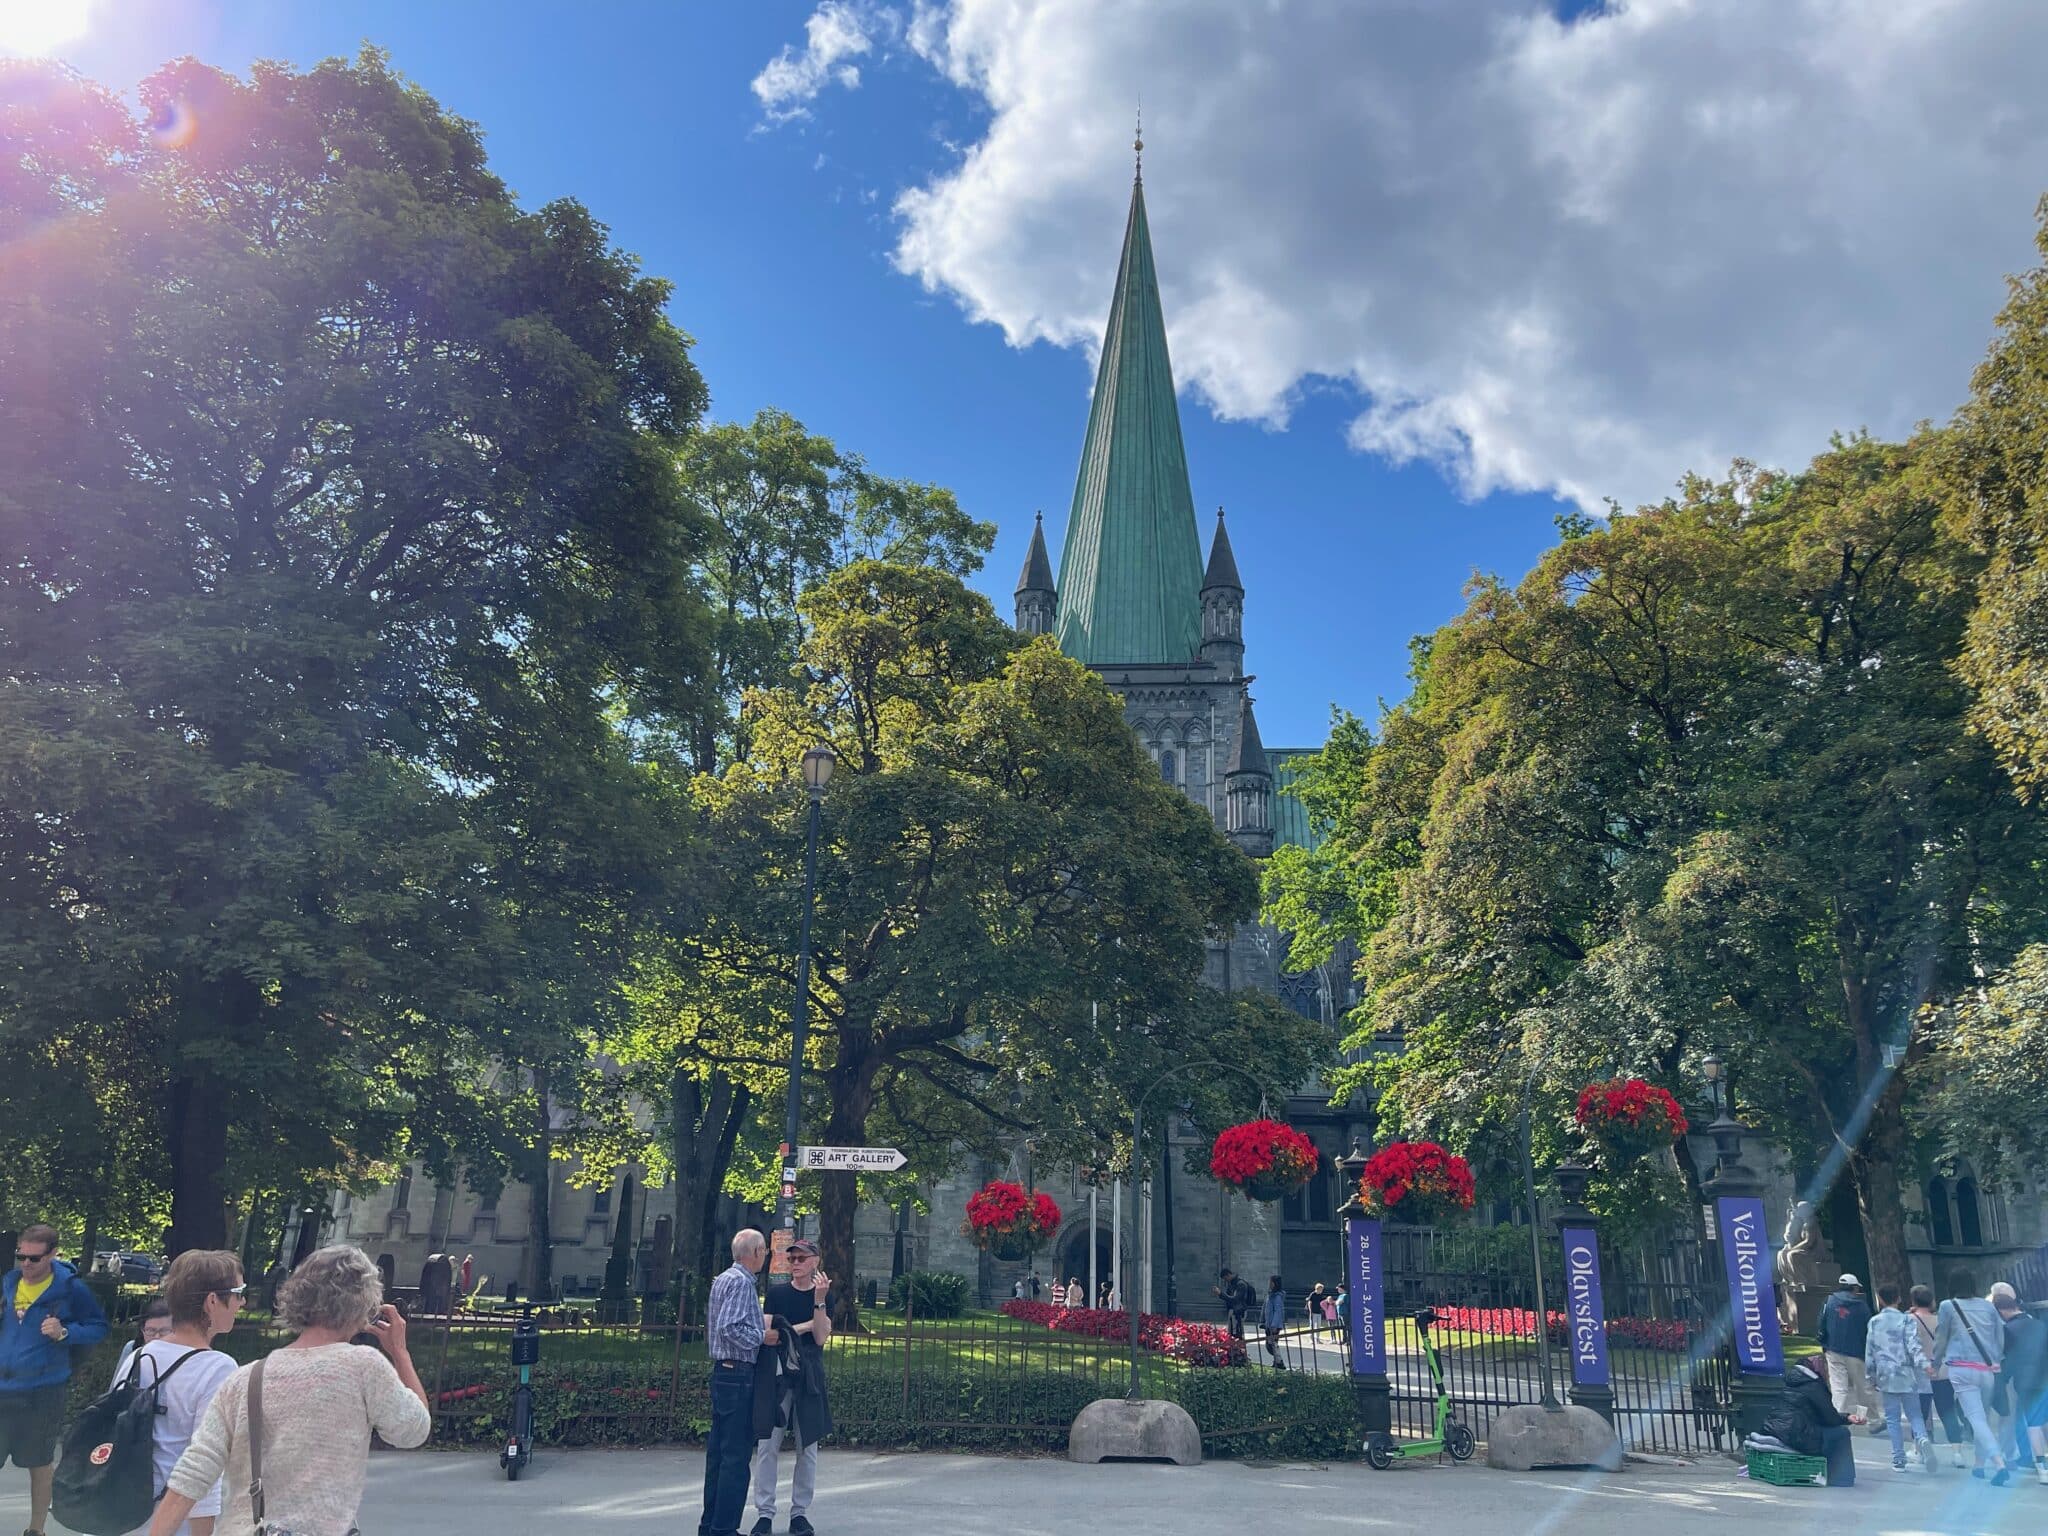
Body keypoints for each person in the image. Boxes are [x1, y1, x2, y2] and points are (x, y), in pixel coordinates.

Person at [150, 1244, 430, 1536]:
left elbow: (192, 1474)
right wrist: (399, 1353)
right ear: (362, 1305)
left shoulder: (246, 1378)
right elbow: (414, 1431)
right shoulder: (363, 1367)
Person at [119, 1251, 244, 1536]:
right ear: (212, 1301)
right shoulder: (217, 1367)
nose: (242, 1302)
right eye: (238, 1293)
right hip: (171, 1518)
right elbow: (204, 1465)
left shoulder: (139, 1355)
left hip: (119, 1508)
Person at [1, 1221, 110, 1536]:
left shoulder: (70, 1288)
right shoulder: (9, 1283)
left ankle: (36, 1530)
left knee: (39, 1463)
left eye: (34, 1258)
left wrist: (64, 1332)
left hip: (43, 1392)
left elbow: (98, 1327)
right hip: (3, 1387)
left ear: (53, 1255)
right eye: (21, 1256)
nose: (26, 1264)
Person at [751, 1239, 832, 1536]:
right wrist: (804, 1327)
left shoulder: (822, 1295)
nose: (795, 1263)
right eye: (792, 1258)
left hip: (809, 1375)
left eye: (801, 1258)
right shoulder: (777, 1293)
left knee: (807, 1447)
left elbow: (822, 1337)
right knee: (767, 1445)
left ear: (815, 1261)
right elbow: (768, 1334)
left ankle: (799, 1512)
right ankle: (765, 1513)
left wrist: (820, 1303)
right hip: (778, 1373)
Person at [702, 1229, 776, 1536]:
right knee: (735, 1458)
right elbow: (729, 1327)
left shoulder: (723, 1279)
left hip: (723, 1372)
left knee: (718, 1456)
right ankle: (724, 1528)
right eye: (765, 1251)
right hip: (738, 1375)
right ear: (756, 1252)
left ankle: (710, 1526)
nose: (767, 1256)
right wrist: (763, 1337)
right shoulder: (743, 1282)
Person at [1929, 1270, 2009, 1483]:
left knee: (1975, 1419)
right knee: (1982, 1417)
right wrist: (1996, 1361)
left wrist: (1935, 1364)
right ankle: (1979, 1464)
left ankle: (1999, 1463)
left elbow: (1941, 1338)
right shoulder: (1988, 1306)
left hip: (1961, 1369)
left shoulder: (1948, 1306)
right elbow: (2000, 1338)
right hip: (1987, 1369)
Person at [1863, 1281, 1935, 1472]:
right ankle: (1921, 1438)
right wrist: (1925, 1365)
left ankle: (1898, 1459)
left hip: (1886, 1375)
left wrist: (1870, 1376)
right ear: (1899, 1298)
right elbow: (1914, 1346)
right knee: (1915, 1414)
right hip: (1906, 1373)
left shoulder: (1874, 1322)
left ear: (1879, 1299)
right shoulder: (1907, 1320)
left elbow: (1870, 1352)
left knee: (1893, 1418)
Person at [1759, 1355, 1857, 1486]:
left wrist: (1845, 1417)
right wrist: (1847, 1418)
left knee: (1828, 1432)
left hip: (1776, 1429)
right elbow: (1830, 1418)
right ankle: (1842, 1478)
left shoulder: (1791, 1381)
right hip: (1796, 1434)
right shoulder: (1814, 1386)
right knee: (1841, 1433)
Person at [1993, 1282, 2048, 1484]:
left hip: (2025, 1381)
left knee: (2033, 1424)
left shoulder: (2008, 1330)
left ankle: (2042, 1466)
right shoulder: (2039, 1323)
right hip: (2045, 1377)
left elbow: (2008, 1359)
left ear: (2001, 1311)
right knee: (2044, 1421)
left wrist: (2002, 1379)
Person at [1911, 1284, 1969, 1466]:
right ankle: (1957, 1453)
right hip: (1943, 1371)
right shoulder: (1940, 1321)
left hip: (1920, 1373)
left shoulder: (1909, 1320)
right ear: (1932, 1301)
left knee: (1919, 1413)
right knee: (1947, 1412)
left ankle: (1919, 1449)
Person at [1816, 1272, 1881, 1430]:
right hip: (1856, 1352)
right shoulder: (1861, 1306)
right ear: (1853, 1288)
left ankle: (1836, 1421)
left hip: (1833, 1349)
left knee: (1839, 1388)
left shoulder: (1829, 1301)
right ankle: (1872, 1422)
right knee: (1862, 1388)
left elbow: (1821, 1323)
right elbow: (1869, 1330)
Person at [111, 1299, 175, 1383]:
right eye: (151, 1330)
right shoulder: (131, 1348)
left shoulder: (181, 1352)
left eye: (164, 1331)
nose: (157, 1336)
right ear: (142, 1330)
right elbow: (116, 1386)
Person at [1213, 1269, 1253, 1341]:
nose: (1226, 1281)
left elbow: (1235, 1300)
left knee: (1237, 1333)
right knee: (1232, 1333)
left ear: (1229, 1275)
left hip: (1239, 1312)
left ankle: (1239, 1350)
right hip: (1233, 1312)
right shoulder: (1232, 1284)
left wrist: (1220, 1294)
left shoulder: (1240, 1284)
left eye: (1225, 1278)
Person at [1262, 1275, 1288, 1370]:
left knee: (1272, 1343)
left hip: (1274, 1325)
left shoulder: (1277, 1297)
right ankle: (1276, 1360)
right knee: (1270, 1343)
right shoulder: (1270, 1295)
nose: (1269, 1284)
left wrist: (1274, 1325)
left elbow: (1278, 1311)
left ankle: (1279, 1361)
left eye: (1271, 1282)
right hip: (1269, 1323)